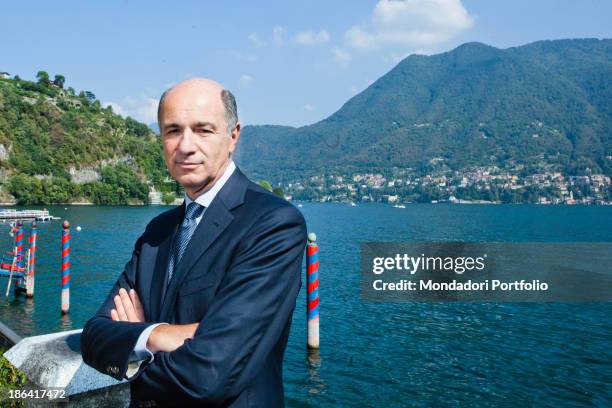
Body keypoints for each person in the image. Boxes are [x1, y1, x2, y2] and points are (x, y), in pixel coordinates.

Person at [80, 78, 307, 407]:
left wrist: (135, 341)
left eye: (202, 130)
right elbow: (94, 337)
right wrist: (160, 334)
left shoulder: (273, 225)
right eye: (173, 131)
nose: (185, 146)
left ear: (233, 136)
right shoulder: (157, 232)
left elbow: (209, 374)